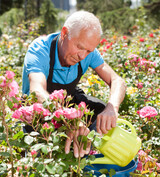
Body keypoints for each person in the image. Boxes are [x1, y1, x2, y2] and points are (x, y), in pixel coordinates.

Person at [22, 10, 126, 158]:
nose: (82, 56)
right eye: (80, 47)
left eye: (89, 51)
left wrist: (112, 108)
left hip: (68, 102)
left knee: (102, 111)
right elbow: (37, 91)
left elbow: (117, 81)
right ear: (64, 33)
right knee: (41, 152)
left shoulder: (88, 53)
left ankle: (89, 155)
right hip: (39, 111)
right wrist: (71, 121)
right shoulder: (40, 50)